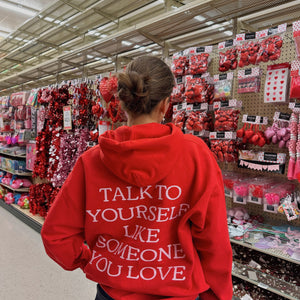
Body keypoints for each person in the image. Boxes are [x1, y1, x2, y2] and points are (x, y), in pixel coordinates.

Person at [41, 56, 233, 300]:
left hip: (114, 292)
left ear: (122, 104)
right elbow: (214, 241)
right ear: (165, 104)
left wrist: (91, 260)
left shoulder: (92, 162)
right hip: (179, 292)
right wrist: (216, 295)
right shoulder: (197, 156)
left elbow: (56, 236)